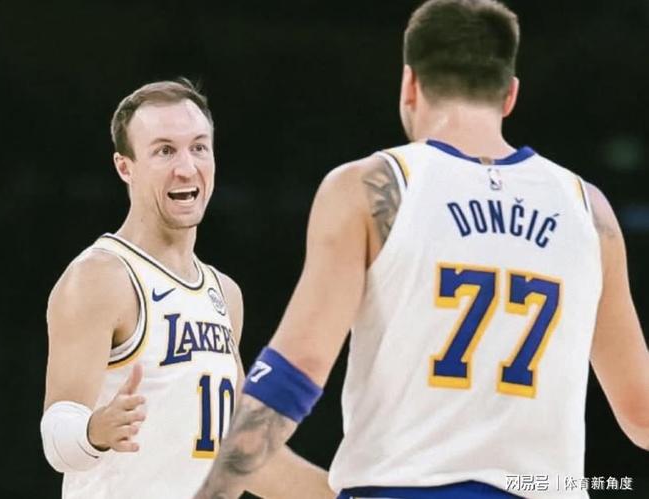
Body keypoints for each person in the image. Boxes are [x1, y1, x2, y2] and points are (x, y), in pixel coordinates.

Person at [194, 1, 649, 498]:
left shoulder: (371, 186)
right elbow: (641, 413)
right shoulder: (588, 209)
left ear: (410, 84)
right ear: (510, 95)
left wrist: (215, 490)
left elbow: (296, 366)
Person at [40, 79, 332, 499]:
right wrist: (94, 430)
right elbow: (57, 439)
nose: (186, 167)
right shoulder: (101, 276)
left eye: (198, 147)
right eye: (164, 151)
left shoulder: (224, 294)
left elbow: (242, 456)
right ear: (125, 167)